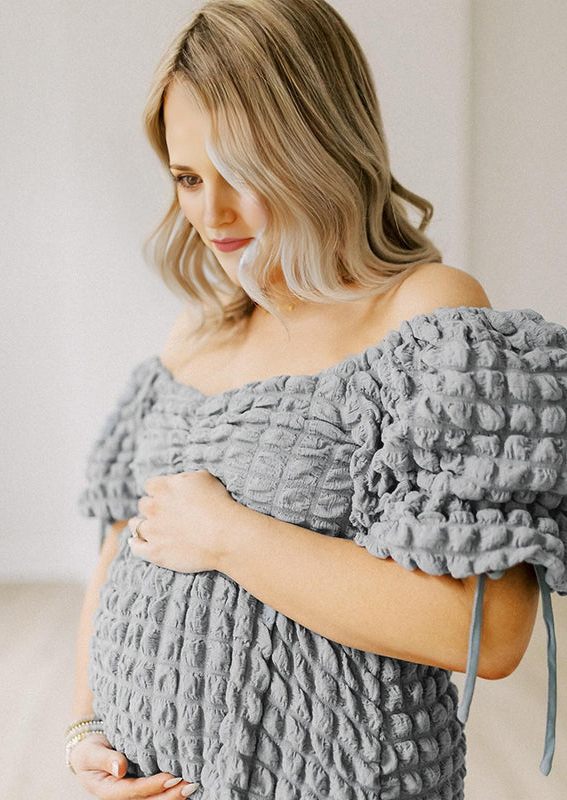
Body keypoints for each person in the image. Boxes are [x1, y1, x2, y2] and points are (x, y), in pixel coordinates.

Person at [67, 1, 567, 798]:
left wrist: (230, 537)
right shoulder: (194, 336)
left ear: (320, 147)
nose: (211, 215)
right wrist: (88, 728)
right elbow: (124, 544)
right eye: (190, 179)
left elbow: (491, 633)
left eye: (243, 173)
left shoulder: (425, 318)